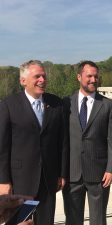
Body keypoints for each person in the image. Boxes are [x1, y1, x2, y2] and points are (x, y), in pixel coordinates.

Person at [0, 60, 65, 225]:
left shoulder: (56, 104)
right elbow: (2, 147)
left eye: (44, 76)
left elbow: (62, 142)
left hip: (48, 180)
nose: (42, 80)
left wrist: (62, 173)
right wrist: (4, 181)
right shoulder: (8, 105)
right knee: (22, 222)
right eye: (37, 76)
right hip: (21, 181)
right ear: (23, 81)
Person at [62, 60, 112, 225]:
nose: (94, 80)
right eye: (89, 76)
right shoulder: (66, 103)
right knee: (72, 220)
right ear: (79, 77)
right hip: (72, 172)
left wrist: (111, 169)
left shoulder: (108, 105)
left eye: (96, 76)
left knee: (98, 220)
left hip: (99, 173)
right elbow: (62, 140)